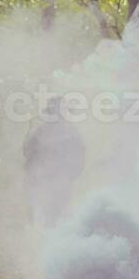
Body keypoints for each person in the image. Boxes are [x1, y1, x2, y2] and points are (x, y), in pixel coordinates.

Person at [23, 97, 86, 227]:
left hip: (58, 181)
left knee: (57, 215)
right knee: (50, 216)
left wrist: (69, 175)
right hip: (47, 181)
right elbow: (29, 155)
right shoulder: (41, 131)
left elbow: (79, 157)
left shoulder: (70, 133)